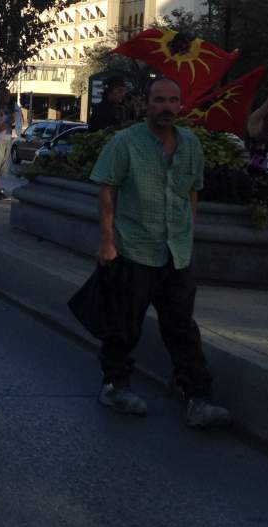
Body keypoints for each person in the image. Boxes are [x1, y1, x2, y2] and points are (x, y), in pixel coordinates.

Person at [90, 77, 230, 429]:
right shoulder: (125, 143)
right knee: (125, 325)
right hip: (135, 248)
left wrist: (188, 233)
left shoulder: (191, 145)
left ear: (180, 105)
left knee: (182, 327)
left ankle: (197, 397)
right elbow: (107, 191)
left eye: (173, 100)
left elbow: (191, 192)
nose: (166, 107)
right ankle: (114, 386)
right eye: (159, 100)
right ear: (146, 104)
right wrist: (107, 242)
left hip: (176, 254)